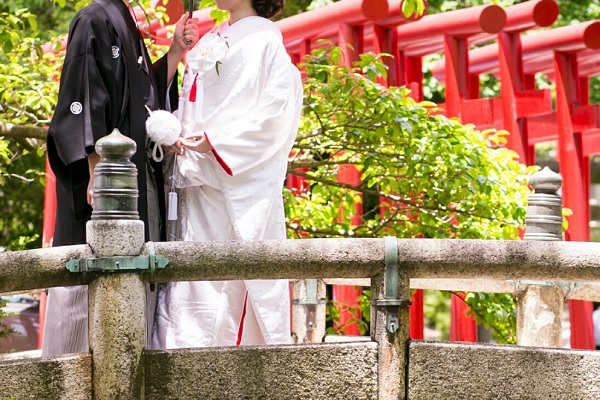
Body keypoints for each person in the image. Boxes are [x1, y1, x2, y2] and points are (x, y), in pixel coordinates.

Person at [42, 0, 200, 356]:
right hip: (108, 187)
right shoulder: (94, 17)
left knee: (130, 299)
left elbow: (140, 101)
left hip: (136, 186)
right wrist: (97, 170)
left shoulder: (125, 19)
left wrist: (176, 51)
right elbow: (82, 97)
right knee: (86, 304)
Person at [151, 0, 303, 348]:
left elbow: (275, 114)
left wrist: (218, 141)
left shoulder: (265, 41)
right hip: (194, 183)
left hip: (230, 187)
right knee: (185, 292)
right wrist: (176, 129)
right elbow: (193, 102)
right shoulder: (213, 37)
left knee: (224, 291)